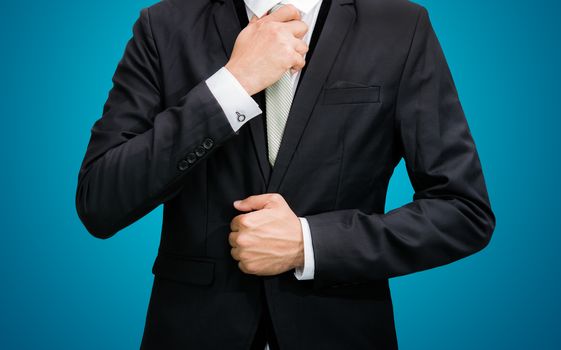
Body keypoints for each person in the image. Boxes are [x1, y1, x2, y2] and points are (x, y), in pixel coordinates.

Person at [75, 0, 496, 349]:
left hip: (343, 330)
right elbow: (100, 201)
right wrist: (233, 84)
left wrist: (308, 244)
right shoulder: (164, 25)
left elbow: (462, 211)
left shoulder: (401, 26)